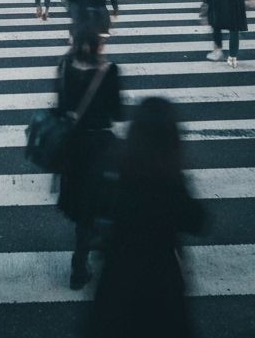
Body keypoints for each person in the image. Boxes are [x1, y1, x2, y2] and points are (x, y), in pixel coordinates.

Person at [85, 98, 205, 337]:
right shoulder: (169, 181)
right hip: (161, 282)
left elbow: (92, 207)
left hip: (116, 278)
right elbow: (197, 221)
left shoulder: (115, 167)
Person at [58, 21, 122, 290]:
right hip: (101, 144)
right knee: (106, 199)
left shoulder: (64, 66)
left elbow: (62, 106)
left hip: (74, 146)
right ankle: (100, 252)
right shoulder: (108, 70)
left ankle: (78, 267)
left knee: (81, 205)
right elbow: (117, 112)